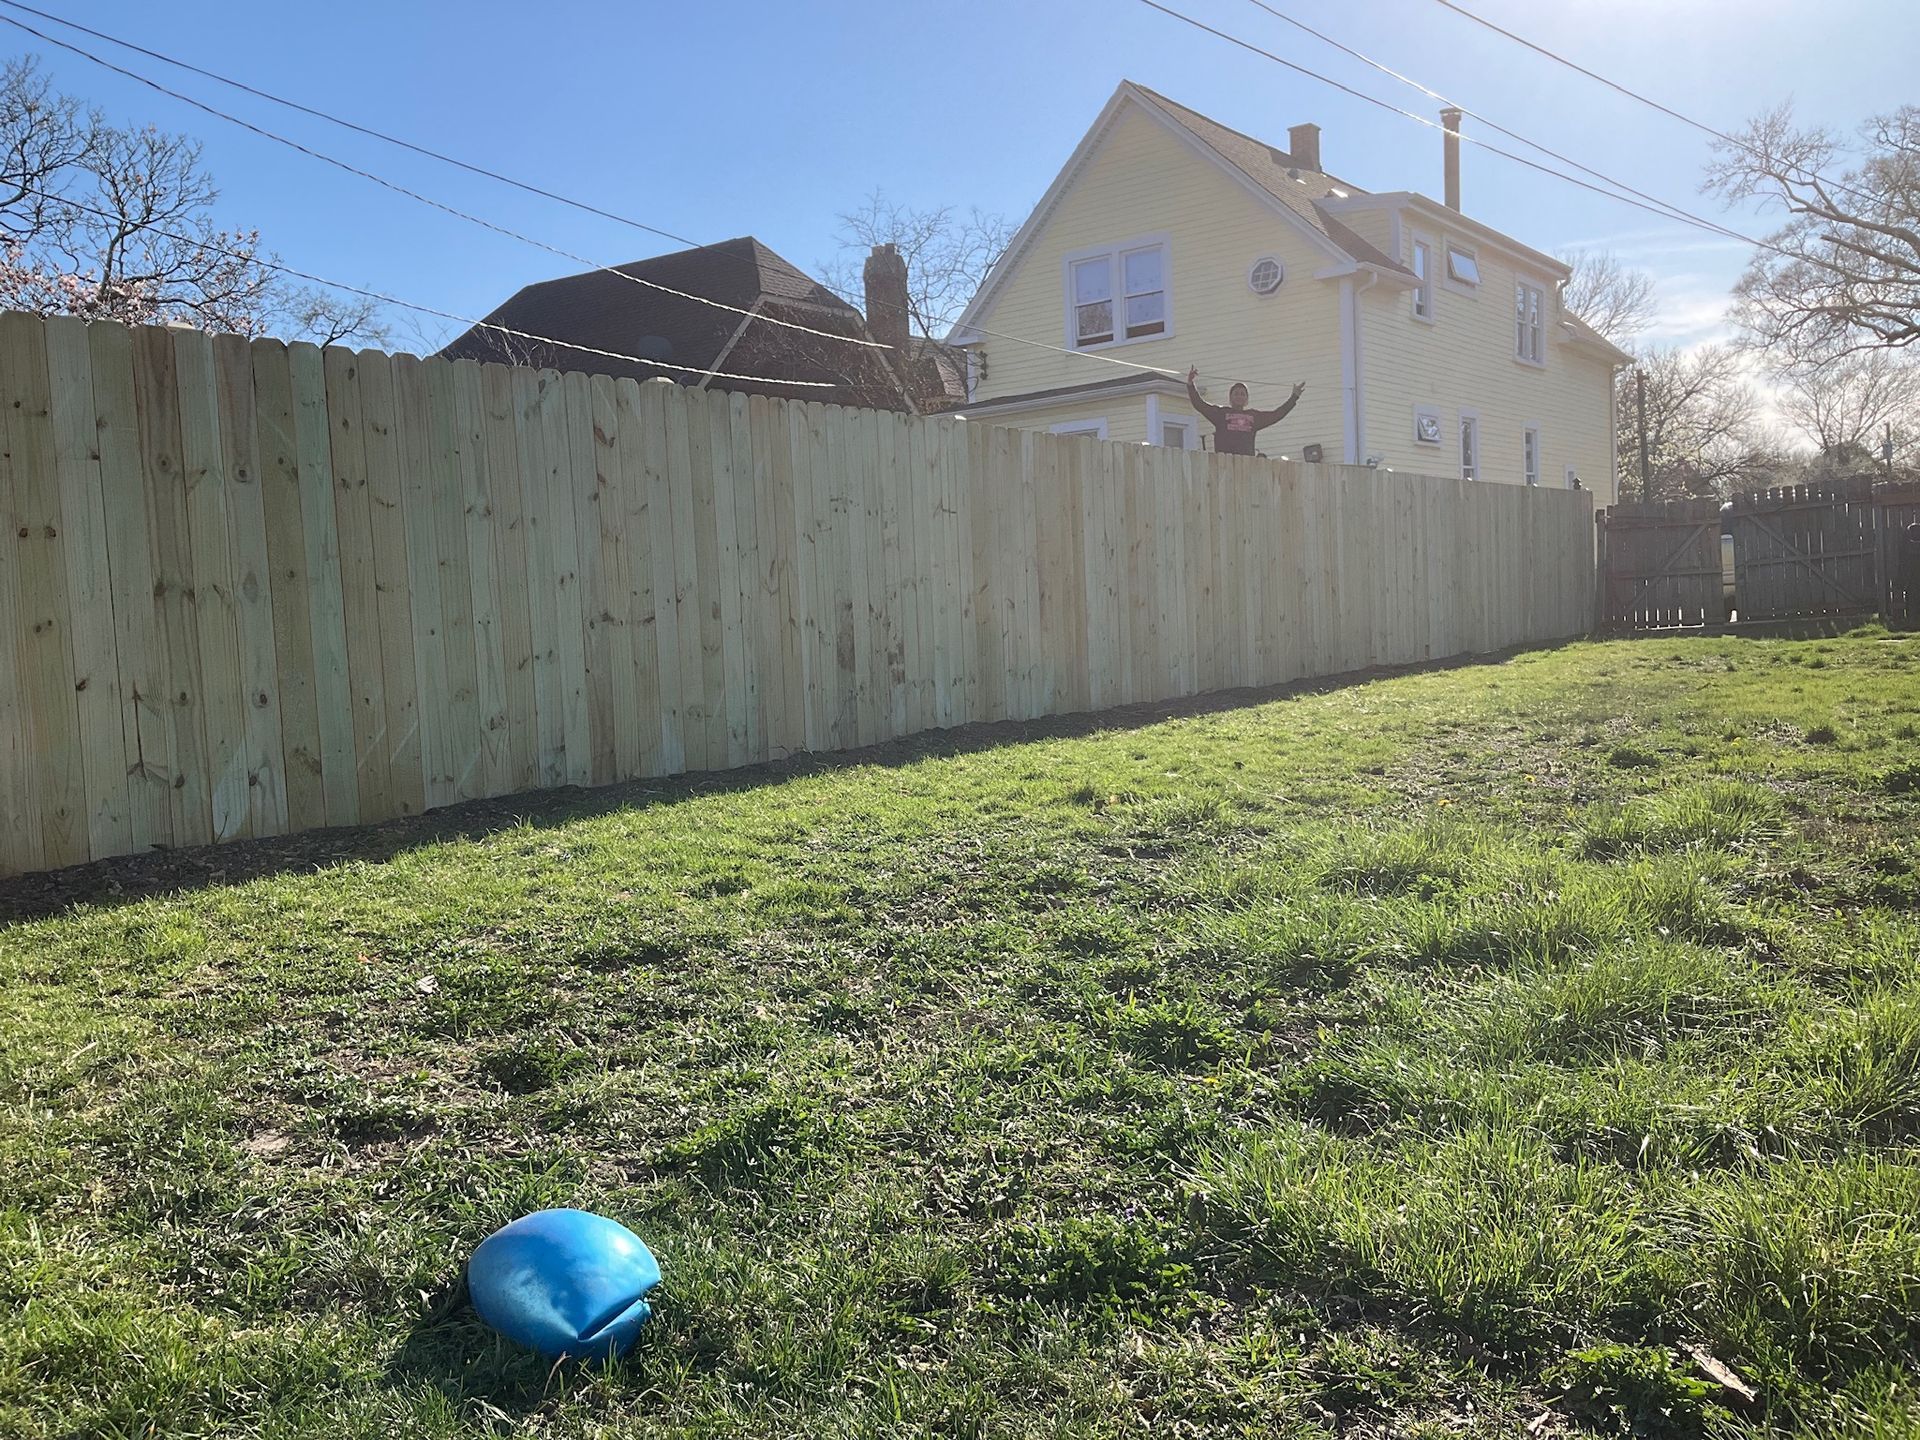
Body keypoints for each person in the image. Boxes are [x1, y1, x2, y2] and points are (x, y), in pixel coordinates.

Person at [1184, 367, 1306, 456]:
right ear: (1230, 398)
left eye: (1242, 394)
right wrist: (1190, 384)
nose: (1239, 396)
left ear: (1247, 399)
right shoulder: (1221, 414)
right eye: (1236, 393)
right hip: (1223, 464)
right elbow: (1199, 405)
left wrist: (1294, 397)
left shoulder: (1253, 417)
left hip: (1247, 465)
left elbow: (1276, 415)